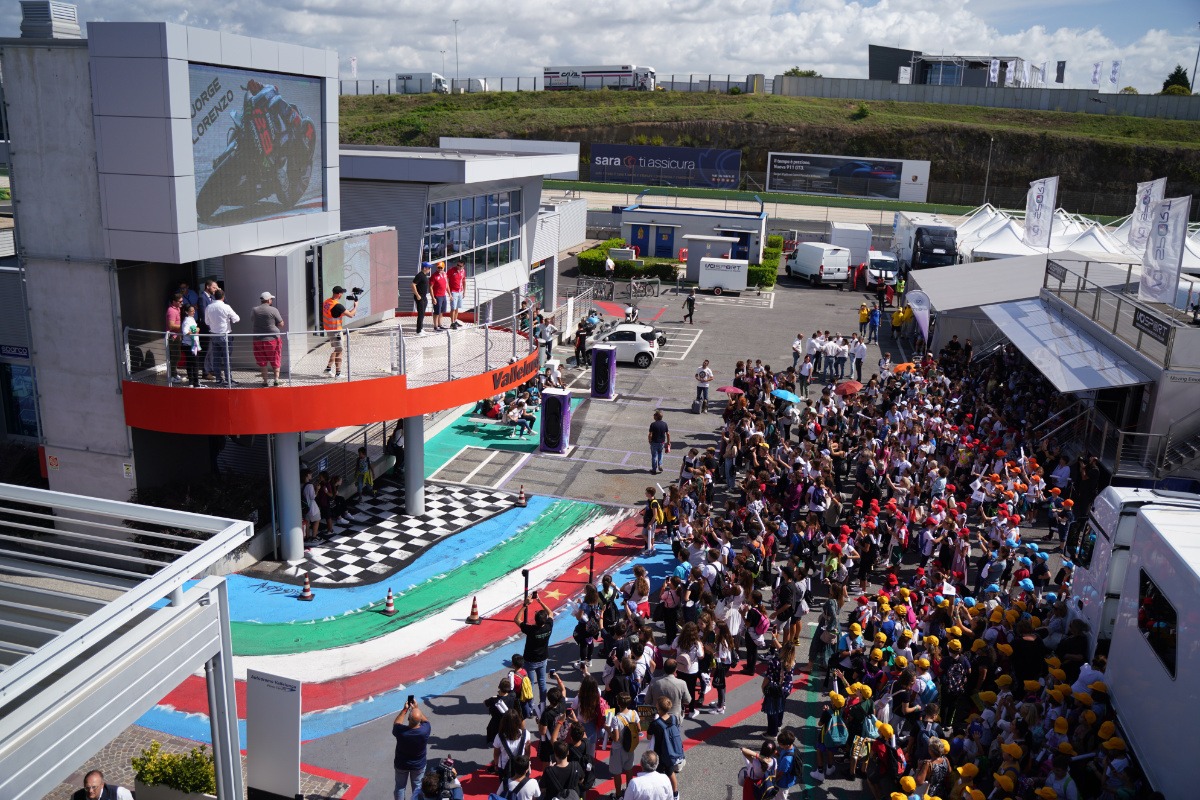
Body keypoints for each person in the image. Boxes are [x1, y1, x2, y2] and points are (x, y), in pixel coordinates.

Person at [515, 593, 556, 704]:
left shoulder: (531, 630)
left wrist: (525, 605)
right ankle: (542, 703)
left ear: (535, 620)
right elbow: (551, 613)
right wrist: (540, 600)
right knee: (542, 682)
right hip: (543, 659)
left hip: (530, 660)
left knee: (530, 684)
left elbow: (517, 619)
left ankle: (530, 705)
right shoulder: (548, 626)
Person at [392, 698, 431, 800]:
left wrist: (405, 710)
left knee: (400, 787)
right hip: (418, 765)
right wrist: (417, 709)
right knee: (418, 787)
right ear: (419, 722)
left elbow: (397, 723)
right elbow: (425, 720)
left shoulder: (401, 731)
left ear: (408, 719)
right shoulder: (425, 731)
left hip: (401, 764)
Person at [647, 697, 685, 800]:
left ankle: (660, 795)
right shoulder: (674, 718)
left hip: (659, 753)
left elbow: (649, 737)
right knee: (670, 772)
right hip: (671, 752)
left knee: (658, 775)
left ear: (658, 707)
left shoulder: (655, 723)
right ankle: (675, 793)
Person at [251, 291, 285, 387]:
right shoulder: (273, 310)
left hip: (258, 339)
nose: (272, 300)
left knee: (262, 361)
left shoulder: (255, 310)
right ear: (269, 300)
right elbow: (281, 324)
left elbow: (252, 319)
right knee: (275, 358)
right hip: (272, 339)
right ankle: (276, 380)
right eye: (271, 299)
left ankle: (265, 382)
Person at [321, 285, 356, 378]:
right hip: (336, 331)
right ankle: (338, 373)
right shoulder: (337, 306)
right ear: (339, 294)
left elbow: (337, 313)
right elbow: (351, 315)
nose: (342, 295)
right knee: (340, 350)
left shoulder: (327, 302)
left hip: (329, 330)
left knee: (336, 349)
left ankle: (328, 369)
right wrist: (356, 306)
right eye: (342, 293)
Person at [180, 303, 203, 388]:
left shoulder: (191, 319)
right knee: (194, 364)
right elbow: (185, 332)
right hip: (189, 345)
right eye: (191, 311)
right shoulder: (187, 321)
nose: (193, 312)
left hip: (192, 345)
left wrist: (196, 330)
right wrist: (196, 330)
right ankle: (195, 382)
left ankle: (192, 382)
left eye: (194, 310)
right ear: (186, 312)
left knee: (191, 364)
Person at [165, 292, 184, 384]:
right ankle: (172, 375)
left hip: (177, 336)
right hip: (173, 337)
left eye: (182, 301)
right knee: (175, 356)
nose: (181, 303)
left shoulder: (177, 309)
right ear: (174, 302)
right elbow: (171, 325)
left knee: (177, 356)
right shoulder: (171, 311)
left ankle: (174, 373)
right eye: (180, 302)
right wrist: (183, 327)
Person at [430, 261, 450, 331]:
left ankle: (440, 324)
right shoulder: (434, 276)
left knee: (442, 311)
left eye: (441, 268)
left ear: (444, 268)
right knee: (436, 312)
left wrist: (449, 294)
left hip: (443, 295)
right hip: (437, 296)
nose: (440, 269)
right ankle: (435, 326)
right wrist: (433, 298)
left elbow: (446, 285)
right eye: (438, 267)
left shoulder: (445, 274)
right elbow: (430, 287)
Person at [412, 263, 432, 334]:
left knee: (422, 313)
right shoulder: (419, 275)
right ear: (424, 268)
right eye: (429, 268)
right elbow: (413, 285)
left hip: (424, 297)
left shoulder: (424, 276)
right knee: (420, 314)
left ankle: (421, 328)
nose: (430, 269)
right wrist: (417, 295)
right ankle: (418, 331)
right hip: (420, 297)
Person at [447, 260, 467, 329]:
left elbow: (464, 281)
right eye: (457, 265)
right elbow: (446, 280)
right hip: (453, 292)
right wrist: (449, 293)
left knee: (457, 307)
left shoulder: (463, 271)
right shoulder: (451, 270)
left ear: (463, 266)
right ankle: (452, 323)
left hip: (460, 292)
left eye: (460, 266)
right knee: (453, 308)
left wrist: (464, 291)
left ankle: (455, 321)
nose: (458, 267)